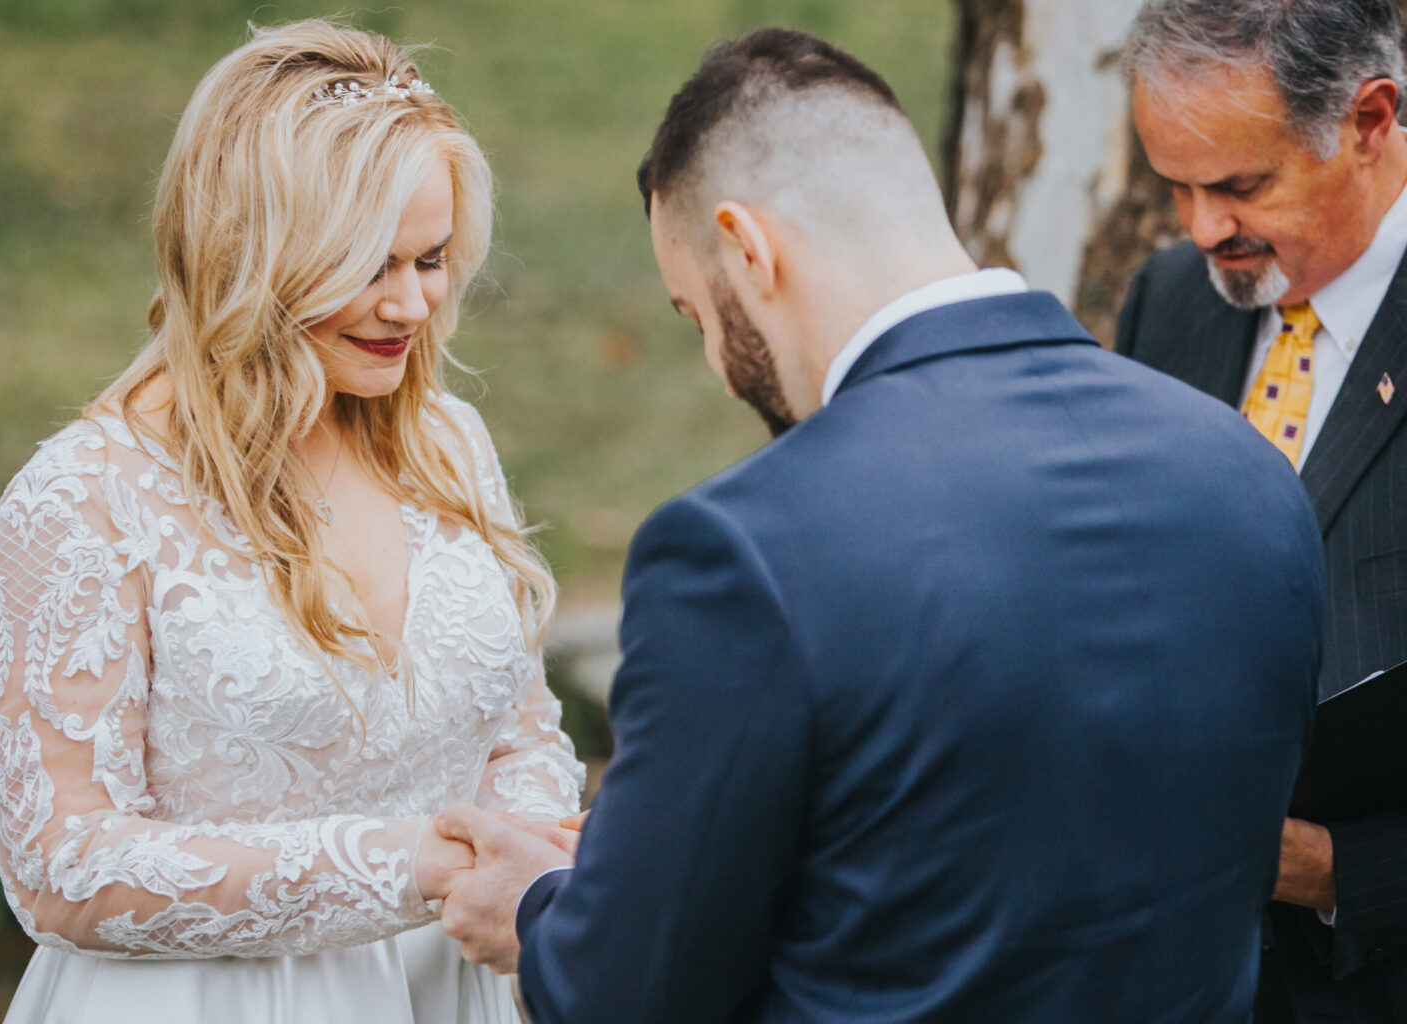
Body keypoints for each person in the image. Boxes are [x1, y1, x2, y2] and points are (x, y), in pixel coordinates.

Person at [429, 27, 1325, 1023]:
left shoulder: (745, 551)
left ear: (748, 249)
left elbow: (630, 994)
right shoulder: (1249, 476)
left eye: (697, 316)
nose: (721, 371)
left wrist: (538, 908)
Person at [0, 20, 583, 1024]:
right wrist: (397, 866)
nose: (414, 304)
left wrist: (518, 847)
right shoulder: (83, 501)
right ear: (251, 255)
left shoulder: (449, 442)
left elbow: (518, 730)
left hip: (451, 988)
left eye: (431, 259)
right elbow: (60, 865)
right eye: (370, 265)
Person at [1116, 1, 1407, 1018]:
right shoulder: (1173, 298)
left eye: (1241, 185)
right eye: (1177, 188)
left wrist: (1339, 872)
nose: (1203, 231)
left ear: (1371, 121)